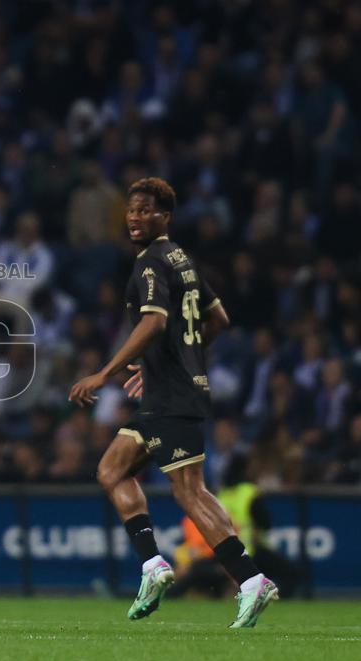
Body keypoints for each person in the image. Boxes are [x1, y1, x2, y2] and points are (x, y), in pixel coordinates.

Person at [69, 177, 278, 628]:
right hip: (169, 390)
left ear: (165, 215)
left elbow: (154, 323)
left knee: (189, 491)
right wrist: (169, 360)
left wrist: (106, 372)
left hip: (176, 396)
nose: (135, 218)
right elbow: (218, 318)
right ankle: (152, 566)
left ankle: (249, 579)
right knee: (112, 469)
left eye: (146, 210)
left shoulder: (150, 263)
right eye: (131, 210)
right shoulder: (181, 259)